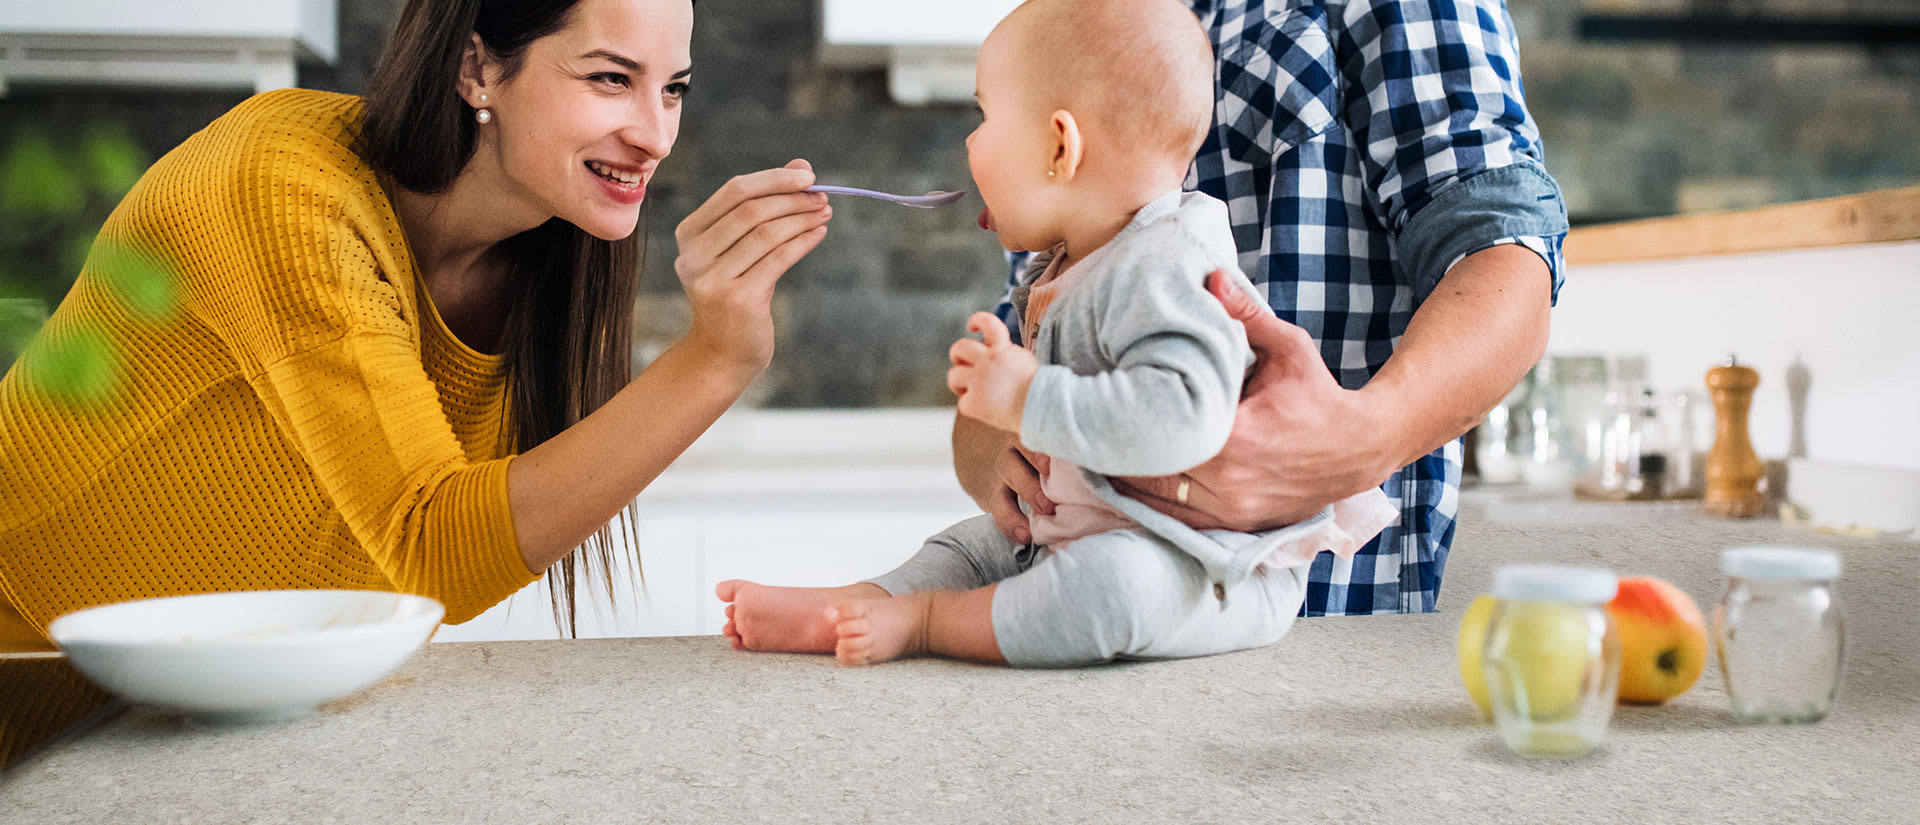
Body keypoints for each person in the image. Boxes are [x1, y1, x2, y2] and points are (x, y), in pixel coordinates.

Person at [0, 0, 829, 766]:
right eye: (611, 78)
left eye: (674, 89)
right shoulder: (280, 184)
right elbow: (430, 549)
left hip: (211, 726)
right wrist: (714, 359)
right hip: (30, 696)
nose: (655, 135)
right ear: (476, 68)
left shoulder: (556, 248)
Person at [716, 0, 1398, 667]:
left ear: (1060, 147)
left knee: (1115, 585)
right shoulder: (1080, 257)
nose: (970, 142)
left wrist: (1028, 397)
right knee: (972, 548)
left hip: (1208, 568)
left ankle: (923, 620)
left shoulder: (1164, 264)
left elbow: (1184, 421)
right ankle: (858, 604)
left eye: (985, 117)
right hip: (1085, 528)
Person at [956, 0, 1569, 617]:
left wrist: (1365, 439)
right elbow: (1019, 344)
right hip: (1081, 606)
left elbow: (1502, 249)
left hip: (1330, 615)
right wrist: (1002, 430)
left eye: (983, 116)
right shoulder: (1067, 26)